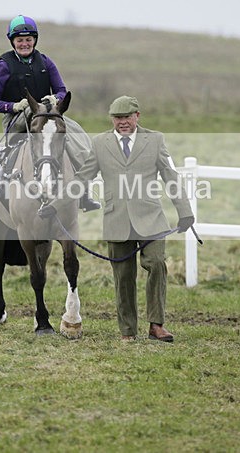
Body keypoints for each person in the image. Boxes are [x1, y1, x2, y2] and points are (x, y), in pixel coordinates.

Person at [40, 95, 195, 342]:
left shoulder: (154, 140)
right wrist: (55, 205)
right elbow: (82, 179)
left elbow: (170, 176)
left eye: (126, 117)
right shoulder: (100, 143)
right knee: (123, 277)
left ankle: (156, 325)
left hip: (151, 218)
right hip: (117, 220)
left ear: (137, 116)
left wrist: (185, 211)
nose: (122, 122)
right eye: (117, 118)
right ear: (113, 119)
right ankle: (127, 331)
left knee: (156, 264)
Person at [0, 15, 99, 211]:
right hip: (18, 117)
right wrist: (13, 106)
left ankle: (83, 192)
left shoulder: (45, 62)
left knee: (74, 138)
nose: (24, 44)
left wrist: (56, 99)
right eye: (20, 40)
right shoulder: (3, 65)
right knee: (11, 148)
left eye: (28, 40)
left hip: (49, 114)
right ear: (12, 41)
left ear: (35, 40)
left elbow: (61, 89)